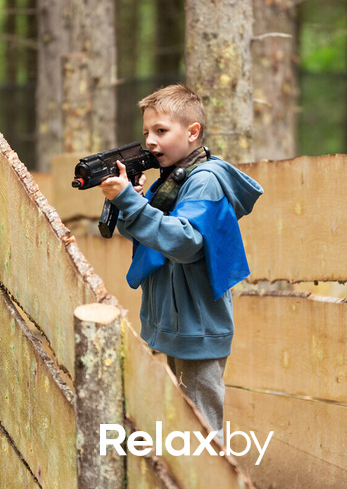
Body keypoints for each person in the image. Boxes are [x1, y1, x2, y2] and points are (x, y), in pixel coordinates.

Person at [99, 84, 263, 438]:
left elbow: (184, 242)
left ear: (192, 132)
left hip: (198, 327)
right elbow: (153, 236)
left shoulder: (204, 181)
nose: (151, 141)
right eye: (146, 132)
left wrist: (131, 202)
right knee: (174, 427)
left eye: (161, 130)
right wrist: (133, 205)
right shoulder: (172, 179)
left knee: (201, 430)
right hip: (174, 324)